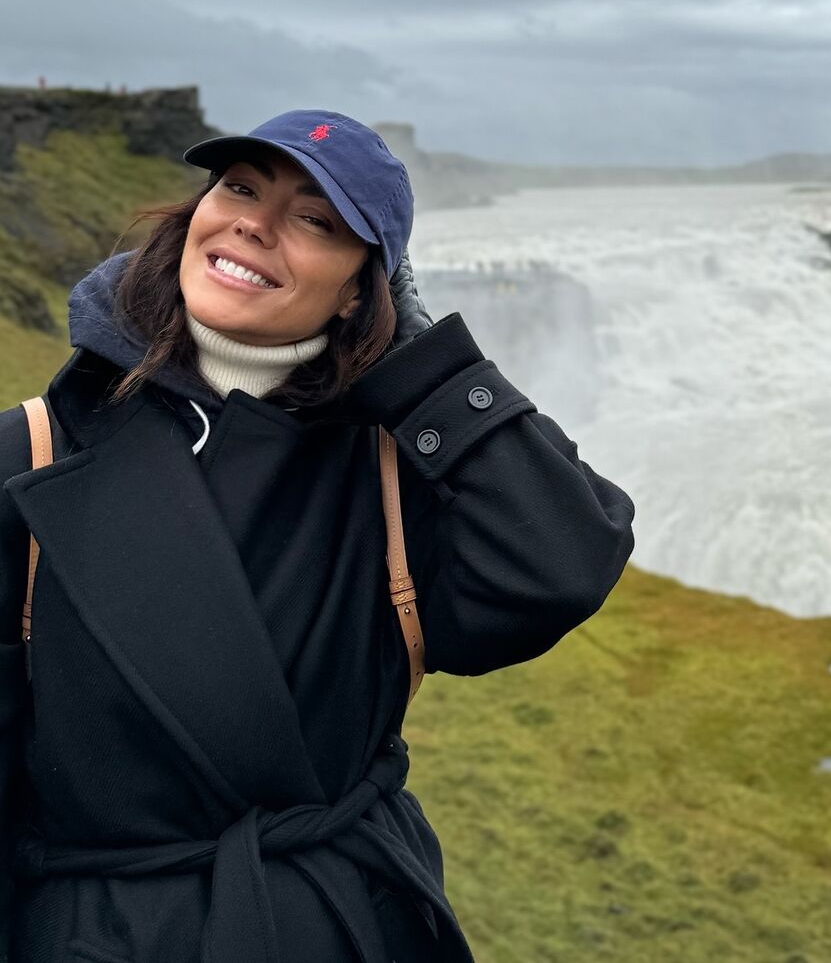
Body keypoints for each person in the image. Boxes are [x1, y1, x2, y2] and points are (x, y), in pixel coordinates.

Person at [0, 110, 635, 962]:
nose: (253, 224)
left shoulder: (392, 470)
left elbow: (562, 562)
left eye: (315, 220)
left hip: (339, 924)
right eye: (239, 187)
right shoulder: (32, 450)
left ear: (360, 288)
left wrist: (431, 370)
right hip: (101, 934)